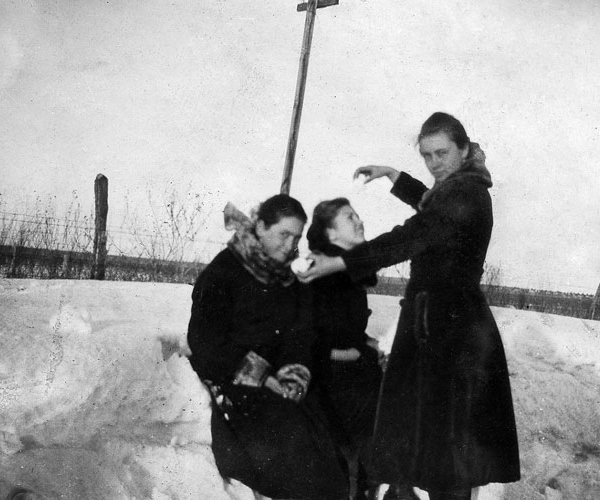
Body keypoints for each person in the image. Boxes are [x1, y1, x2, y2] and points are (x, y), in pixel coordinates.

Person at [299, 112, 521, 500]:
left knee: (448, 459)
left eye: (442, 153)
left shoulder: (466, 193)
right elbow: (430, 204)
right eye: (427, 155)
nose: (434, 163)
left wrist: (340, 262)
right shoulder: (460, 186)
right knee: (440, 453)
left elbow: (413, 234)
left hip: (451, 334)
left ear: (464, 149)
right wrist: (393, 176)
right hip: (439, 327)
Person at [187, 194, 348, 500]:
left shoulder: (289, 279)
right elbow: (205, 343)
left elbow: (301, 335)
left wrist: (293, 374)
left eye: (296, 237)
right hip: (235, 384)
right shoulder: (224, 272)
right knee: (295, 454)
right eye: (283, 234)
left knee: (328, 445)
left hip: (280, 384)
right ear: (260, 227)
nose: (290, 246)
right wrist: (263, 377)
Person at [305, 198, 386, 500]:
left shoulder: (346, 272)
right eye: (348, 217)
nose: (359, 220)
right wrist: (349, 354)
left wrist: (367, 343)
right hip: (327, 381)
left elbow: (344, 327)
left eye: (357, 214)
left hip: (351, 374)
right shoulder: (319, 272)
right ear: (330, 234)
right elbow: (304, 337)